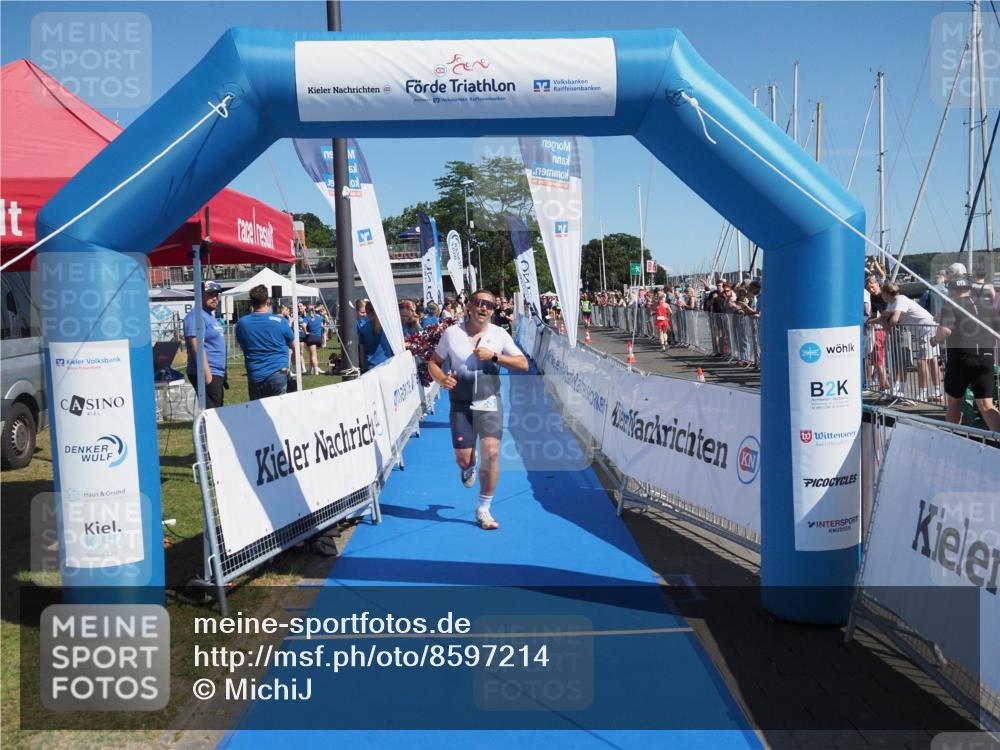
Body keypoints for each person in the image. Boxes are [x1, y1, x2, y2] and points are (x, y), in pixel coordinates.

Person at [427, 290, 529, 531]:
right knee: (464, 460)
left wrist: (495, 356)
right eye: (480, 303)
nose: (485, 308)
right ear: (470, 306)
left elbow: (523, 364)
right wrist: (442, 379)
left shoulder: (499, 334)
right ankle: (468, 467)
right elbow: (433, 362)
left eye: (490, 305)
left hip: (490, 403)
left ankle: (483, 508)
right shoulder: (452, 334)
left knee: (492, 454)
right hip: (461, 405)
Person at [931, 275, 1000, 431]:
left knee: (955, 401)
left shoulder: (952, 305)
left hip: (961, 357)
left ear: (954, 292)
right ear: (969, 289)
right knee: (986, 404)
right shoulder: (987, 304)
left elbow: (945, 331)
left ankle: (951, 435)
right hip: (986, 356)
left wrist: (935, 339)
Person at [879, 281, 942, 402]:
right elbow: (883, 316)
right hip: (925, 329)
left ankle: (923, 394)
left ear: (887, 293)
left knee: (922, 361)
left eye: (882, 294)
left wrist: (886, 327)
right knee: (932, 360)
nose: (882, 296)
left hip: (926, 329)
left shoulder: (900, 300)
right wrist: (867, 322)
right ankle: (937, 391)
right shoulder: (892, 303)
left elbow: (894, 319)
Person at [236, 285, 295, 400]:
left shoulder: (242, 323)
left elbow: (242, 346)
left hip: (255, 374)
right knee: (280, 411)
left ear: (251, 302)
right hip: (278, 373)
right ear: (268, 301)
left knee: (258, 413)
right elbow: (293, 345)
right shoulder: (280, 321)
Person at [183, 281, 227, 409]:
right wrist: (207, 374)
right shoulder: (196, 317)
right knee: (212, 413)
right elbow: (197, 347)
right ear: (200, 295)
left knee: (217, 410)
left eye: (216, 295)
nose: (215, 298)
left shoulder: (209, 316)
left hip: (216, 372)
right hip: (207, 372)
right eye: (210, 294)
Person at [358, 300, 393, 372]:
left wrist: (362, 365)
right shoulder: (388, 326)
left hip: (370, 365)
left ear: (367, 312)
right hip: (387, 362)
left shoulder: (363, 328)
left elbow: (362, 350)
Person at [303, 304, 326, 375]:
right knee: (312, 354)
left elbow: (303, 325)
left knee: (313, 355)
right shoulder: (319, 317)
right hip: (318, 338)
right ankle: (310, 370)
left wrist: (306, 332)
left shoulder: (307, 317)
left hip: (311, 337)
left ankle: (316, 370)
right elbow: (323, 324)